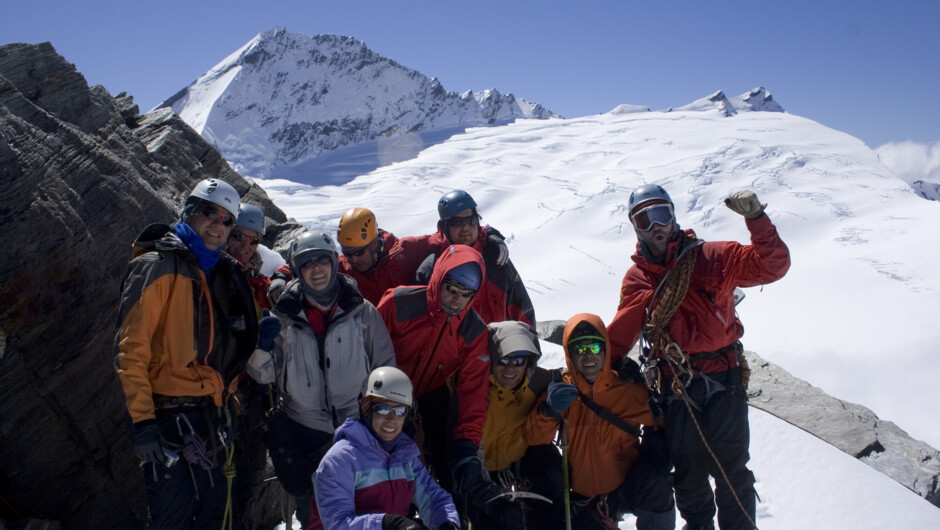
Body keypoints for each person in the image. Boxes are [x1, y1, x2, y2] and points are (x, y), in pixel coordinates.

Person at [607, 184, 790, 530]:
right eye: (644, 219)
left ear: (673, 215)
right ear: (635, 228)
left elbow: (773, 265)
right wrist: (590, 370)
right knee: (689, 468)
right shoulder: (639, 279)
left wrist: (756, 219)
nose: (655, 226)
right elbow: (620, 336)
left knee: (731, 467)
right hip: (676, 384)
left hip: (724, 375)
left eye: (660, 214)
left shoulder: (712, 257)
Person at [115, 178, 260, 529]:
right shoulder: (158, 265)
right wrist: (143, 423)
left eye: (228, 220)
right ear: (189, 212)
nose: (219, 225)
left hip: (213, 414)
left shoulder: (221, 272)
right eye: (210, 213)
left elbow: (228, 343)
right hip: (169, 418)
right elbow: (131, 349)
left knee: (217, 516)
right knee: (173, 520)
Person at [246, 230, 396, 527]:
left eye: (322, 261)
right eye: (307, 263)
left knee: (364, 510)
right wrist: (262, 349)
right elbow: (263, 375)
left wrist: (382, 423)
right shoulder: (283, 317)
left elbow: (384, 370)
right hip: (305, 434)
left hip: (358, 429)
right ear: (297, 271)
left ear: (333, 263)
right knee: (314, 515)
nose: (316, 269)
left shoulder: (362, 312)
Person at [377, 244, 511, 523]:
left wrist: (466, 445)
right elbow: (369, 353)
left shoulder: (473, 331)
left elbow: (473, 393)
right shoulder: (398, 303)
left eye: (466, 294)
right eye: (451, 288)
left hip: (430, 394)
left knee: (449, 464)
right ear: (439, 278)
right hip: (384, 394)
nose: (456, 299)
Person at [525, 314, 675, 530]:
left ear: (605, 350)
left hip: (624, 489)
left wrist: (656, 459)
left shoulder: (628, 391)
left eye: (594, 348)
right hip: (581, 499)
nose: (588, 356)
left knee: (654, 485)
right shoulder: (562, 390)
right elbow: (533, 437)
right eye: (579, 349)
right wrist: (548, 410)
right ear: (569, 353)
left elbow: (665, 422)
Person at [310, 366, 461, 530]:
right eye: (382, 409)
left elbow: (434, 498)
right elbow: (337, 524)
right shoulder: (340, 460)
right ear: (366, 408)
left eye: (400, 410)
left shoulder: (405, 456)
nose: (391, 419)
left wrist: (447, 523)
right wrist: (387, 524)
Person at [475, 320, 565, 530]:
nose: (510, 369)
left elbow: (579, 382)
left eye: (518, 361)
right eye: (503, 360)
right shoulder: (472, 386)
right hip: (477, 473)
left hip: (516, 466)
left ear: (528, 362)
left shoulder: (539, 383)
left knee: (552, 469)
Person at [416, 190, 535, 326]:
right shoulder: (432, 268)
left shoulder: (495, 257)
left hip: (496, 344)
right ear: (444, 226)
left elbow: (521, 307)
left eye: (471, 220)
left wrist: (529, 342)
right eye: (457, 222)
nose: (466, 228)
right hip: (454, 347)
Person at [335, 207, 435, 306]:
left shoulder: (406, 250)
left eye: (359, 252)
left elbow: (441, 241)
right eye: (347, 254)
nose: (354, 260)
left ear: (374, 244)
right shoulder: (339, 269)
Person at [225, 202, 271, 313]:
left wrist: (281, 276)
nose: (245, 246)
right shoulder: (207, 271)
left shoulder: (260, 283)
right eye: (239, 236)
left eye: (253, 240)